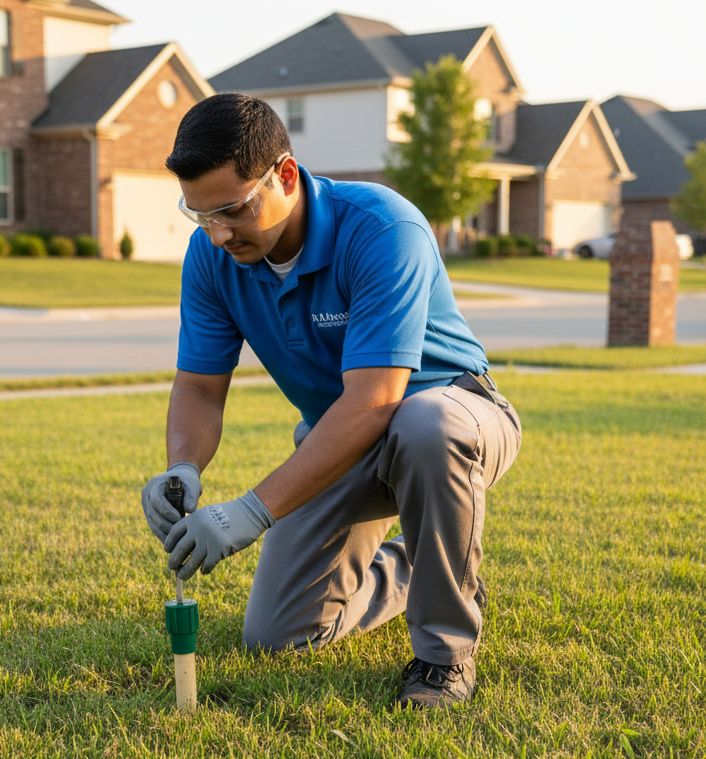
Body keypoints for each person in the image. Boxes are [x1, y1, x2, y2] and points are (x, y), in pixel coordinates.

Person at [141, 93, 522, 708]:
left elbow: (377, 400)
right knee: (277, 636)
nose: (217, 235)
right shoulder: (212, 258)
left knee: (424, 425)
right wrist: (184, 465)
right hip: (343, 440)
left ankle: (442, 657)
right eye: (199, 215)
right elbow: (199, 387)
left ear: (285, 175)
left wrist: (253, 511)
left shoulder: (380, 227)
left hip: (455, 414)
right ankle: (423, 569)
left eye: (233, 210)